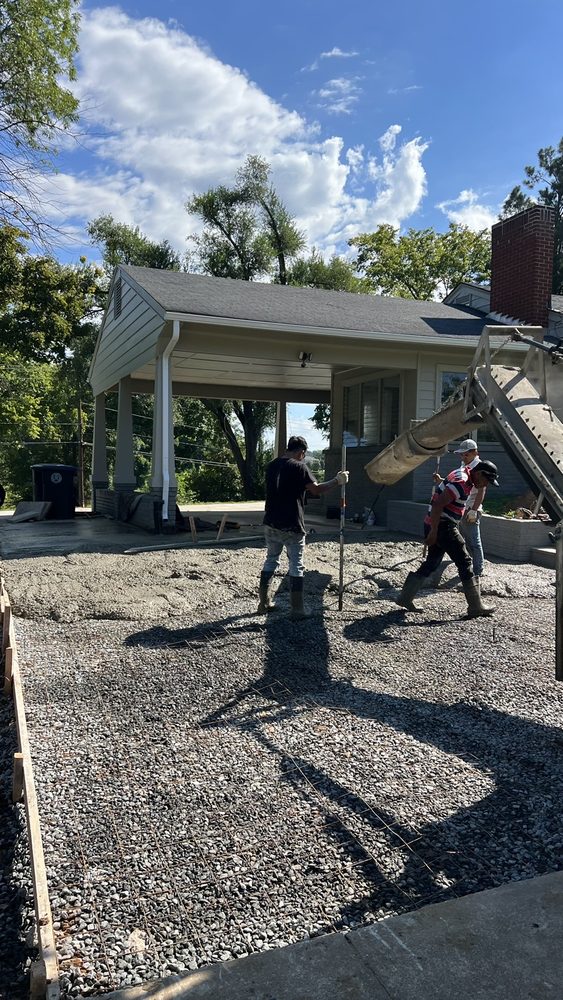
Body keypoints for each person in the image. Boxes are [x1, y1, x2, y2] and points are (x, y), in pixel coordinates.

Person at [258, 436, 349, 619]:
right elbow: (315, 490)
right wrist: (337, 481)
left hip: (270, 522)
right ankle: (298, 609)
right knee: (296, 565)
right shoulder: (299, 466)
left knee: (271, 560)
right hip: (291, 524)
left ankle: (264, 603)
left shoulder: (272, 465)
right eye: (303, 455)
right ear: (301, 452)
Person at [396, 460, 500, 618]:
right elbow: (438, 505)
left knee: (432, 562)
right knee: (465, 561)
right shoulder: (461, 483)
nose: (485, 485)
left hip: (436, 523)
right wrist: (434, 532)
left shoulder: (463, 474)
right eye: (486, 480)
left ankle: (405, 598)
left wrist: (432, 529)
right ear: (479, 474)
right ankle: (475, 606)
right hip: (443, 525)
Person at [430, 438, 487, 584]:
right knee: (462, 540)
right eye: (461, 455)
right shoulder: (465, 465)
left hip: (471, 509)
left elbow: (481, 492)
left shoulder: (479, 468)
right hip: (461, 508)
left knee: (474, 541)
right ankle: (466, 566)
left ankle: (478, 571)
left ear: (475, 452)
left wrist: (474, 510)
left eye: (466, 454)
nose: (463, 457)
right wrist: (442, 481)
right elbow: (458, 485)